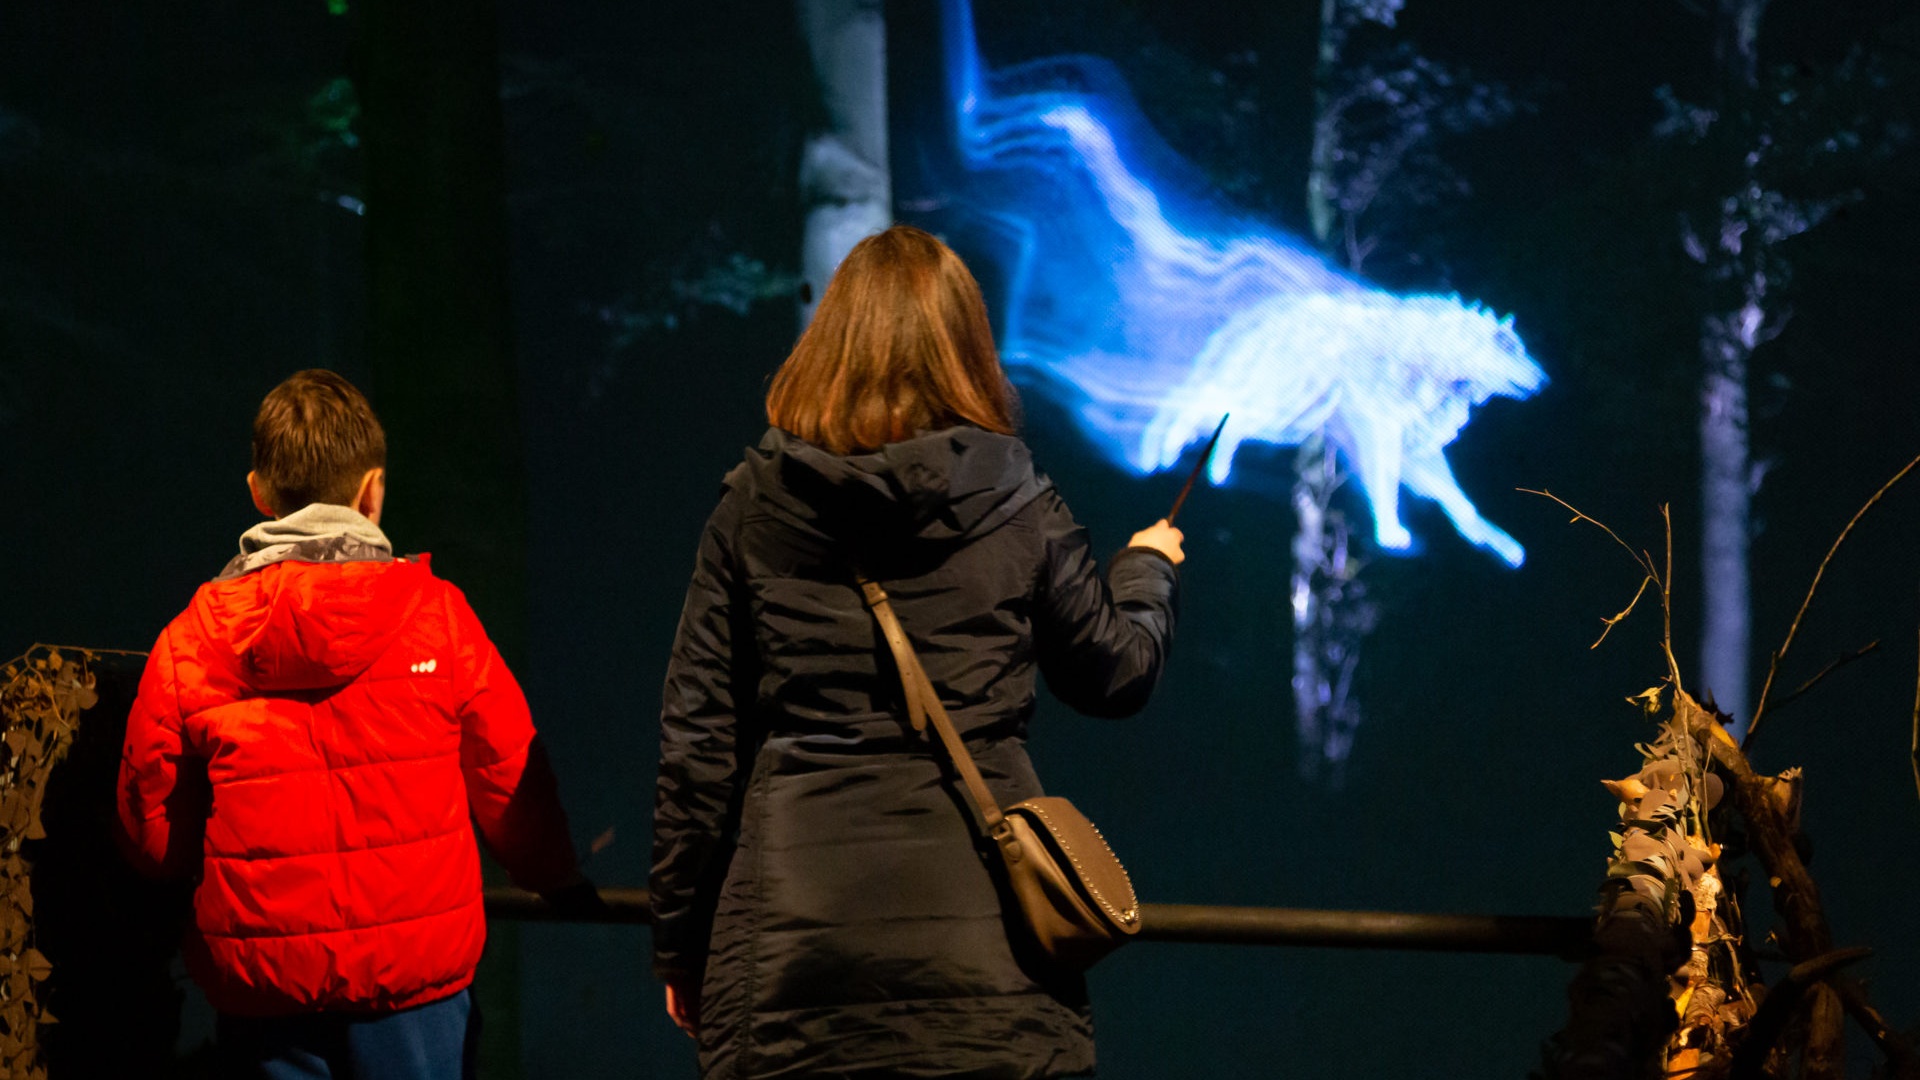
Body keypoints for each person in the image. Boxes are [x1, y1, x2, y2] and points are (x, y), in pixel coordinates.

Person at [651, 225, 1183, 1080]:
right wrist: (1148, 570)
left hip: (795, 941)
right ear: (964, 350)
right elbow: (1115, 673)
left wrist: (681, 941)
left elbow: (697, 750)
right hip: (990, 948)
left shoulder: (752, 506)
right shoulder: (1017, 500)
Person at [116, 369, 590, 1080]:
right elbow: (509, 778)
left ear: (258, 492)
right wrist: (556, 879)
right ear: (371, 492)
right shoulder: (439, 618)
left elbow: (152, 836)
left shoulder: (191, 642)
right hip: (415, 998)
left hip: (263, 998)